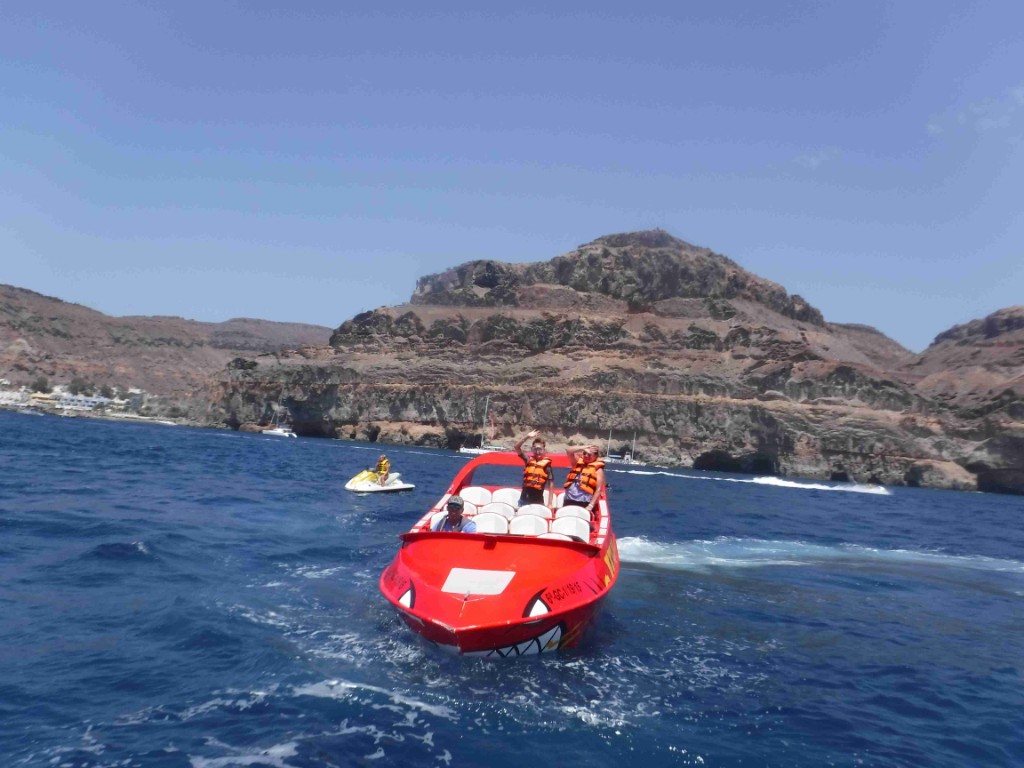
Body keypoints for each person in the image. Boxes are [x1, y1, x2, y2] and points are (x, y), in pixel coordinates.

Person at [562, 444, 606, 520]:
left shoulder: (598, 470)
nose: (586, 456)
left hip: (584, 502)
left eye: (589, 455)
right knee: (567, 521)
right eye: (585, 453)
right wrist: (583, 448)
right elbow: (568, 450)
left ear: (596, 456)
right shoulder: (577, 462)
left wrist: (590, 505)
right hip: (569, 499)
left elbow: (598, 490)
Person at [514, 429, 554, 508]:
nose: (537, 452)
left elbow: (551, 484)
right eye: (535, 449)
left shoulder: (547, 466)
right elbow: (516, 447)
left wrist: (550, 503)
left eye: (540, 449)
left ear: (544, 450)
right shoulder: (528, 460)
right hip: (523, 500)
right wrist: (527, 436)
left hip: (538, 501)